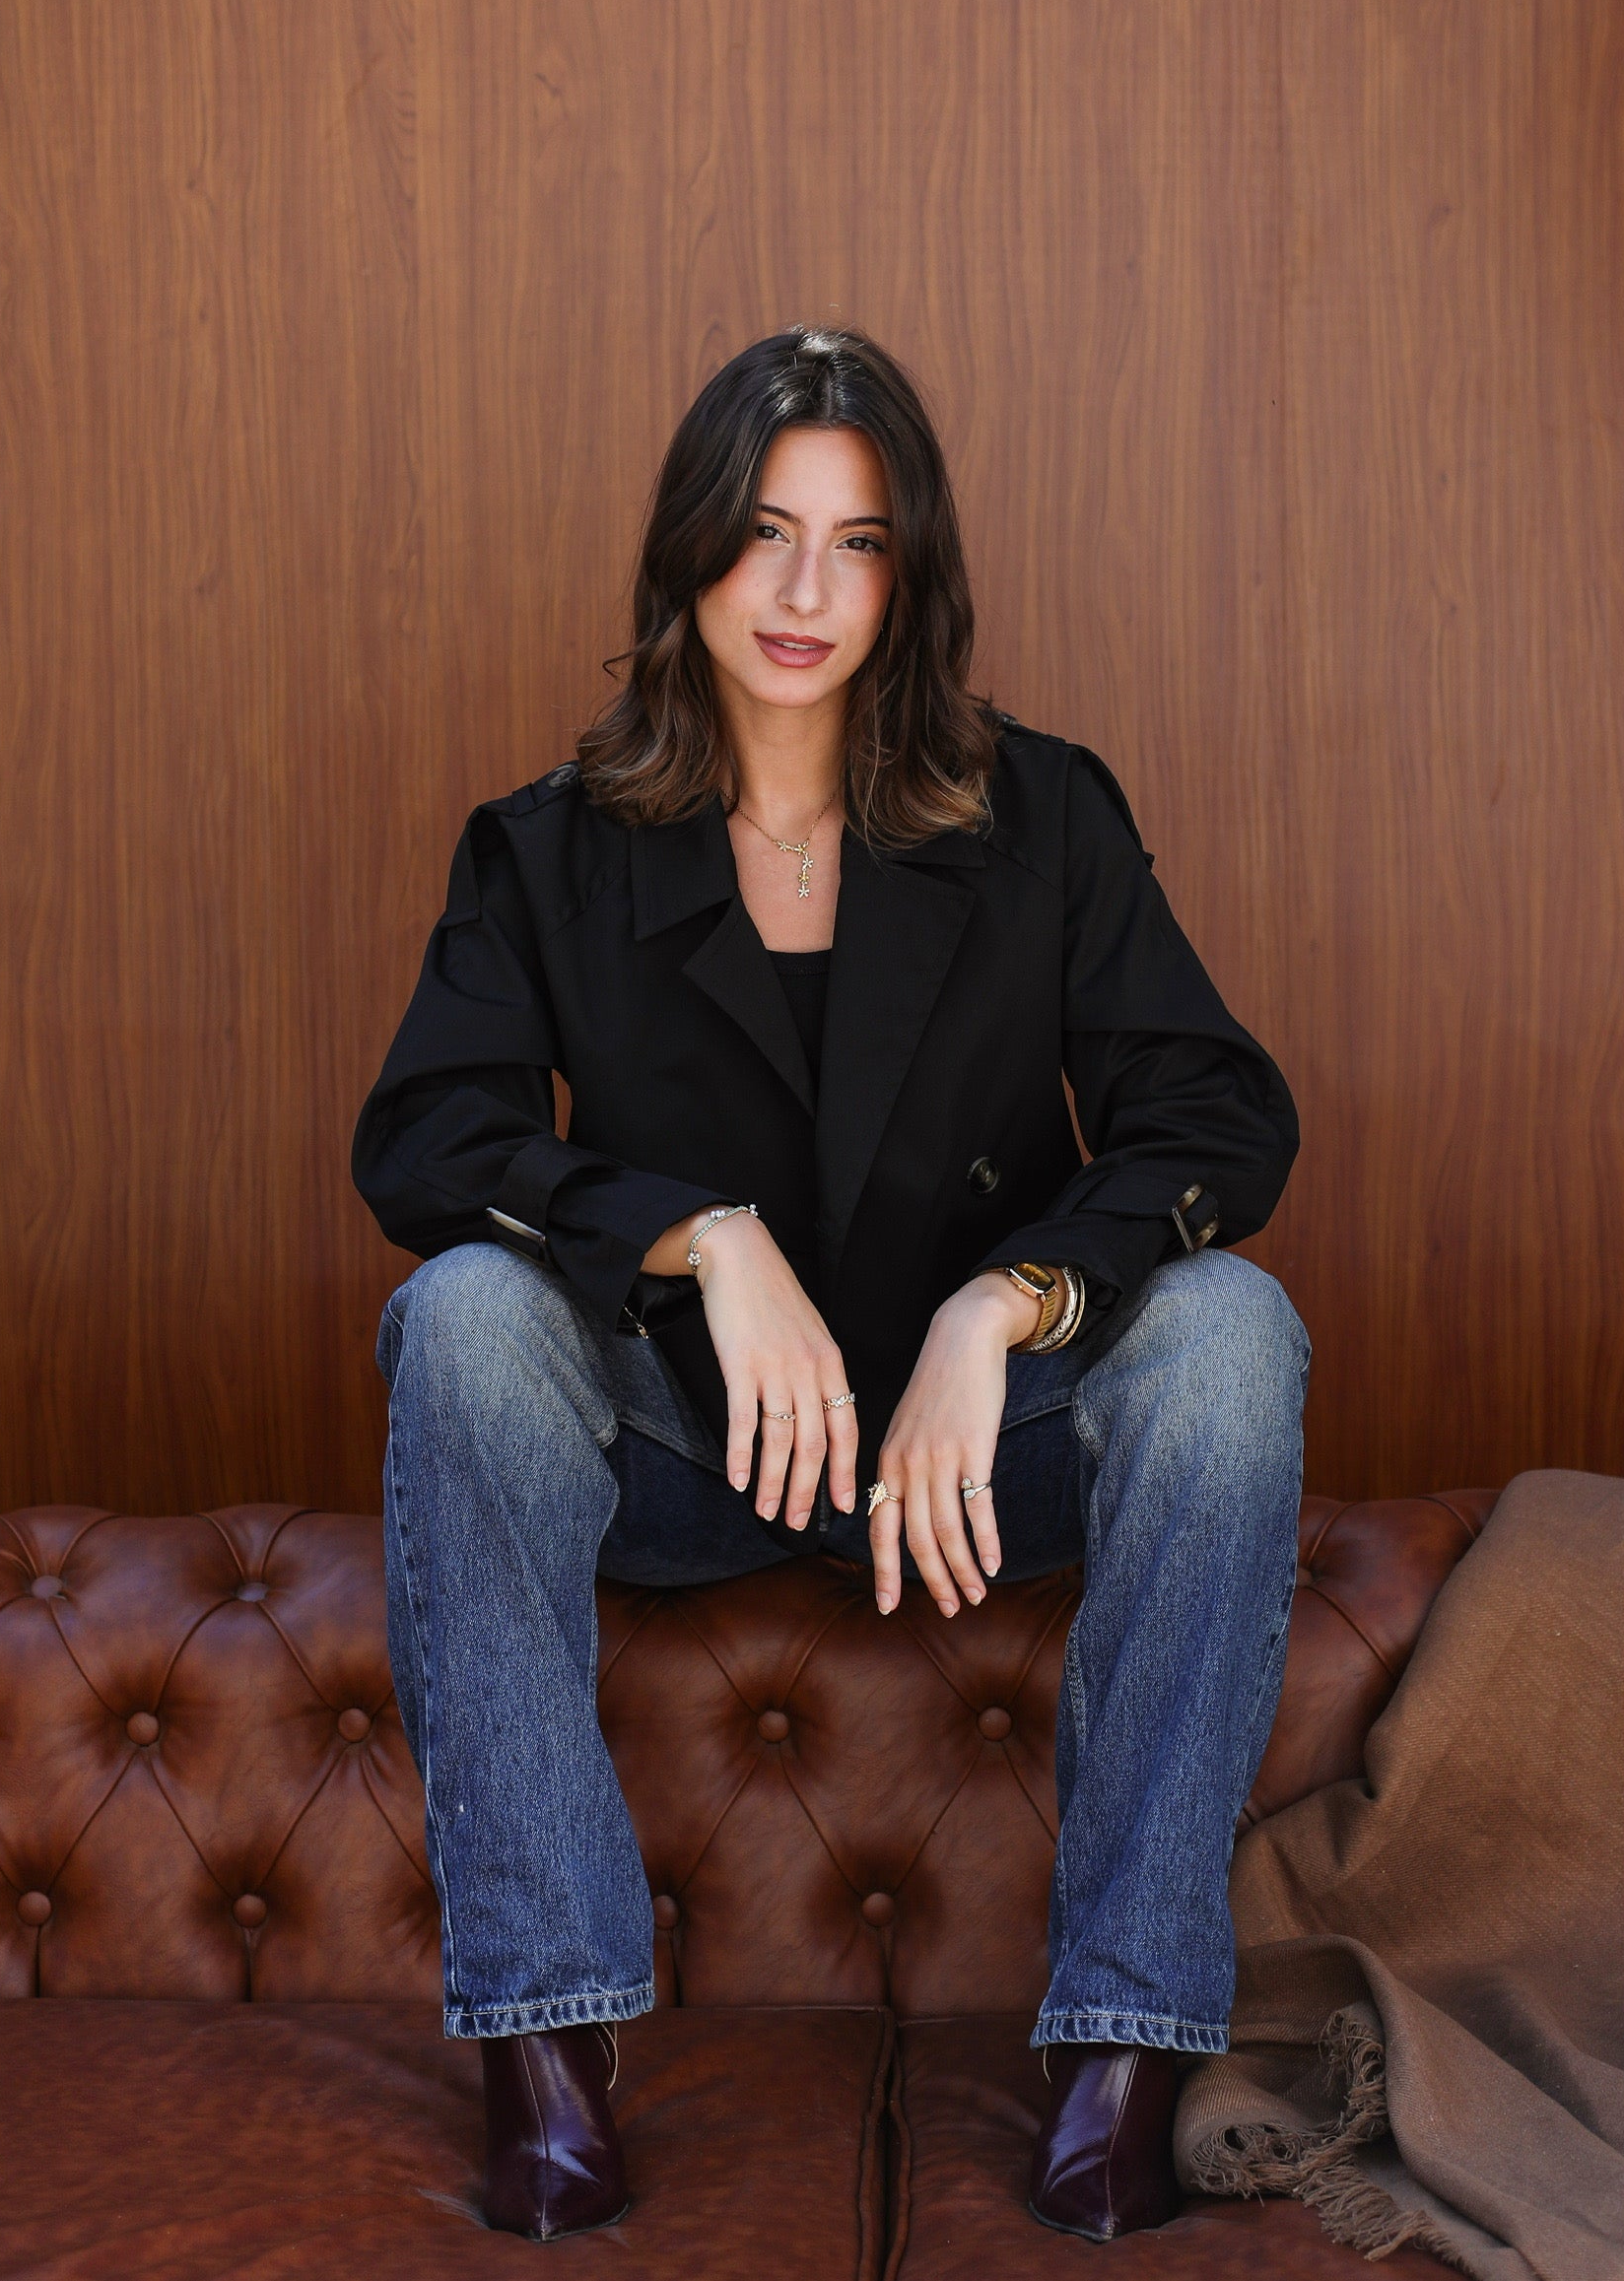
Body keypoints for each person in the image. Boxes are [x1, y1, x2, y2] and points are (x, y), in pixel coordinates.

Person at [352, 327, 1305, 2243]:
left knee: (1229, 1334)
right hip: (686, 1455)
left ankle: (1125, 2043)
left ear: (908, 575)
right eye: (765, 532)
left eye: (856, 544)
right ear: (689, 546)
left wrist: (1006, 1304)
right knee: (460, 1312)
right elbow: (428, 1139)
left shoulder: (1042, 813)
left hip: (981, 1460)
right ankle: (545, 2042)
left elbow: (1214, 1113)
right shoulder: (546, 847)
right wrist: (701, 1236)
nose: (803, 591)